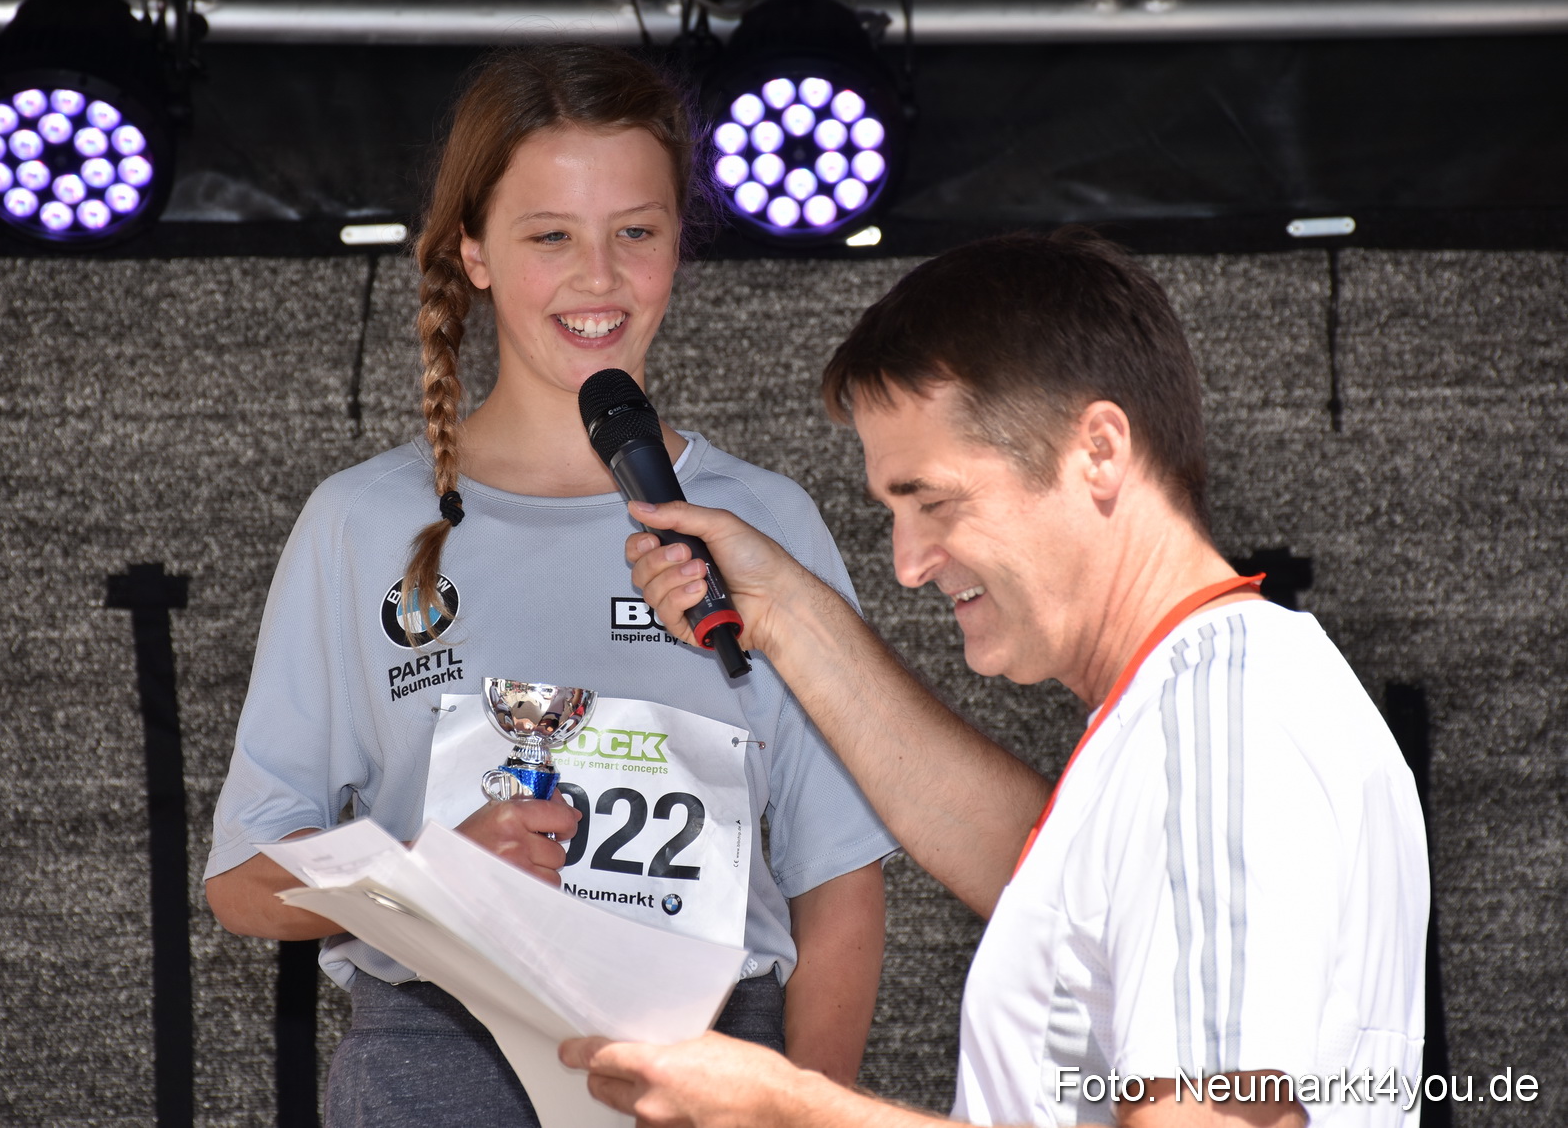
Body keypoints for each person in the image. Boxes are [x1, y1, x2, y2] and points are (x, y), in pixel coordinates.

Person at [564, 231, 1430, 1127]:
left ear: (1099, 450)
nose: (907, 564)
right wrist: (780, 609)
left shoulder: (1220, 726)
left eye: (934, 501)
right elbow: (1050, 881)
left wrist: (792, 1110)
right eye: (892, 510)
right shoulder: (1195, 708)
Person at [202, 45, 896, 1128]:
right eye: (550, 236)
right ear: (472, 250)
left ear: (678, 243)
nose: (599, 278)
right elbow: (242, 880)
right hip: (437, 1061)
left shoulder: (764, 522)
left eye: (636, 232)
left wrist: (805, 1112)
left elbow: (839, 881)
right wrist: (425, 876)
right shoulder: (361, 522)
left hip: (714, 1061)